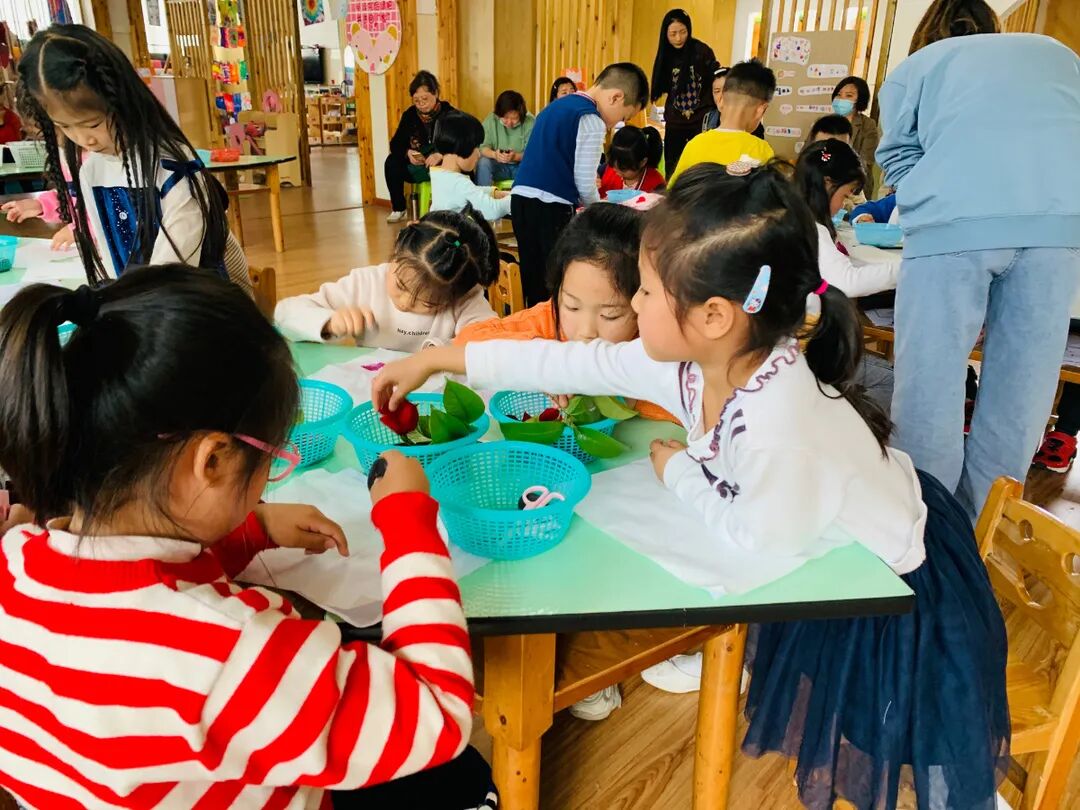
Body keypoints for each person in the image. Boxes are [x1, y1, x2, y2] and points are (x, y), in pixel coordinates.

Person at [372, 164, 1009, 810]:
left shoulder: (777, 423)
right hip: (835, 558)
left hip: (897, 586)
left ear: (713, 315)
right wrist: (435, 358)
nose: (635, 306)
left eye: (646, 292)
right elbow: (567, 360)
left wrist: (678, 472)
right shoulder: (696, 363)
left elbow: (758, 536)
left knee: (910, 744)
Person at [0, 267, 497, 809]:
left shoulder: (14, 562)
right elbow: (438, 711)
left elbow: (131, 604)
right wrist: (407, 518)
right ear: (211, 460)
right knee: (466, 778)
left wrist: (250, 532)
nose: (269, 474)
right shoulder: (228, 654)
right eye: (271, 458)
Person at [877, 0, 1080, 521]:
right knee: (1020, 400)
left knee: (929, 390)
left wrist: (932, 197)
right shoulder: (1058, 55)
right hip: (1054, 230)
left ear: (927, 33)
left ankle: (929, 532)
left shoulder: (917, 67)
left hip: (952, 228)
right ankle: (983, 533)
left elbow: (897, 155)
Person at [8, 25, 247, 287]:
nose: (84, 139)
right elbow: (107, 254)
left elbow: (172, 271)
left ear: (120, 101)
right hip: (143, 299)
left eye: (92, 124)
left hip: (194, 298)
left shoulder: (173, 168)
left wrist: (130, 301)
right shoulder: (91, 170)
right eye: (65, 126)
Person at [511, 62, 649, 307]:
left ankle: (534, 326)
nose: (616, 125)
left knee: (533, 282)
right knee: (555, 285)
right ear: (616, 97)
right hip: (551, 207)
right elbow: (584, 183)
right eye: (623, 117)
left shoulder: (556, 107)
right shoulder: (590, 119)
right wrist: (601, 212)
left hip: (520, 199)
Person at [275, 206, 497, 351]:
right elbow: (283, 314)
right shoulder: (365, 283)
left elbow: (490, 340)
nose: (405, 303)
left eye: (428, 303)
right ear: (398, 245)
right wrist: (329, 322)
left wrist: (441, 352)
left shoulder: (466, 298)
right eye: (400, 285)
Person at [794, 140, 898, 304]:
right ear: (827, 184)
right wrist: (904, 268)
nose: (843, 204)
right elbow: (848, 282)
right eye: (845, 195)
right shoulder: (811, 228)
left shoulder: (796, 217)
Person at [669, 59, 775, 184]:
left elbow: (674, 190)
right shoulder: (762, 150)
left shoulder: (694, 145)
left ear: (720, 101)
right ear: (760, 110)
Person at [649, 9, 716, 177]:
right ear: (665, 34)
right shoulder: (666, 54)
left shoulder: (702, 51)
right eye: (673, 34)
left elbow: (715, 78)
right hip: (675, 121)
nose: (678, 38)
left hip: (700, 121)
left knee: (698, 166)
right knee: (673, 167)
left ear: (689, 30)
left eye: (683, 32)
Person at [385, 70, 455, 224]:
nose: (421, 104)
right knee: (392, 161)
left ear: (435, 93)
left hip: (443, 165)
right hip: (419, 165)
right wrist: (407, 152)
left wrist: (440, 154)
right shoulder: (410, 115)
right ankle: (399, 208)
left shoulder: (449, 113)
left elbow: (462, 141)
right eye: (416, 100)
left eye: (425, 99)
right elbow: (395, 143)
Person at [430, 110, 512, 221]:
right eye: (476, 147)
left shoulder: (439, 174)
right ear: (461, 147)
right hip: (454, 232)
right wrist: (513, 199)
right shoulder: (459, 183)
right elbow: (492, 210)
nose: (479, 154)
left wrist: (494, 193)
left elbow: (470, 191)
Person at [831, 76, 880, 198]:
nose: (841, 99)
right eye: (839, 94)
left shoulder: (868, 125)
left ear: (860, 99)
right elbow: (810, 153)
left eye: (849, 95)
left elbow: (865, 162)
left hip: (855, 188)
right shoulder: (825, 123)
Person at [477, 90, 534, 187]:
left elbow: (533, 153)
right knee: (483, 162)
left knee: (535, 165)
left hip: (521, 168)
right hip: (499, 167)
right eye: (505, 118)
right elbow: (483, 147)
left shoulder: (530, 122)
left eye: (514, 118)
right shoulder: (491, 120)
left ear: (521, 115)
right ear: (498, 114)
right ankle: (483, 195)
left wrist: (515, 156)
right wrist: (495, 155)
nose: (509, 122)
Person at [598, 125, 665, 198]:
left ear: (642, 162)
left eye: (623, 169)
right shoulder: (607, 169)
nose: (617, 171)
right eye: (614, 166)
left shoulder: (656, 185)